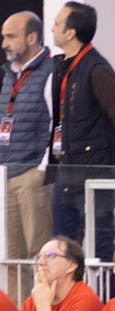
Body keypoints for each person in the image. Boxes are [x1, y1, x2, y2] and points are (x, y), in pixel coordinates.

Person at [48, 3, 115, 257]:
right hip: (66, 167)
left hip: (95, 169)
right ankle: (68, 297)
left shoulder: (97, 69)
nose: (52, 28)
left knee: (100, 242)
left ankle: (106, 295)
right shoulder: (62, 66)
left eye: (57, 23)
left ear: (71, 33)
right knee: (62, 245)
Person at [0, 14, 52, 276]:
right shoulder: (8, 74)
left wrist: (43, 169)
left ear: (31, 38)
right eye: (3, 37)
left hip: (33, 177)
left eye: (10, 36)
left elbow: (57, 122)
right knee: (10, 258)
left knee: (41, 255)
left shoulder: (51, 71)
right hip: (6, 175)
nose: (4, 43)